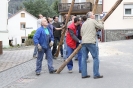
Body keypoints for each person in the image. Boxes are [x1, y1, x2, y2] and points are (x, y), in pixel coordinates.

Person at [80, 12, 104, 79]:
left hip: (84, 41)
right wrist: (101, 21)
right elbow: (101, 27)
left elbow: (81, 33)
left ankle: (84, 74)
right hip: (91, 41)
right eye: (93, 14)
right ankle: (96, 74)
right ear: (90, 16)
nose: (94, 15)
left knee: (83, 58)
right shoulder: (93, 21)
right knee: (95, 57)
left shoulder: (84, 23)